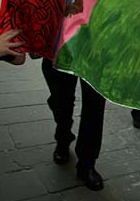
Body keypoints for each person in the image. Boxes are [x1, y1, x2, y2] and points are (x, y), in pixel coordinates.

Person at [41, 58, 106, 191]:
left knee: (95, 105)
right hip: (60, 48)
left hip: (97, 52)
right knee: (60, 100)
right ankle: (63, 136)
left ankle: (87, 163)